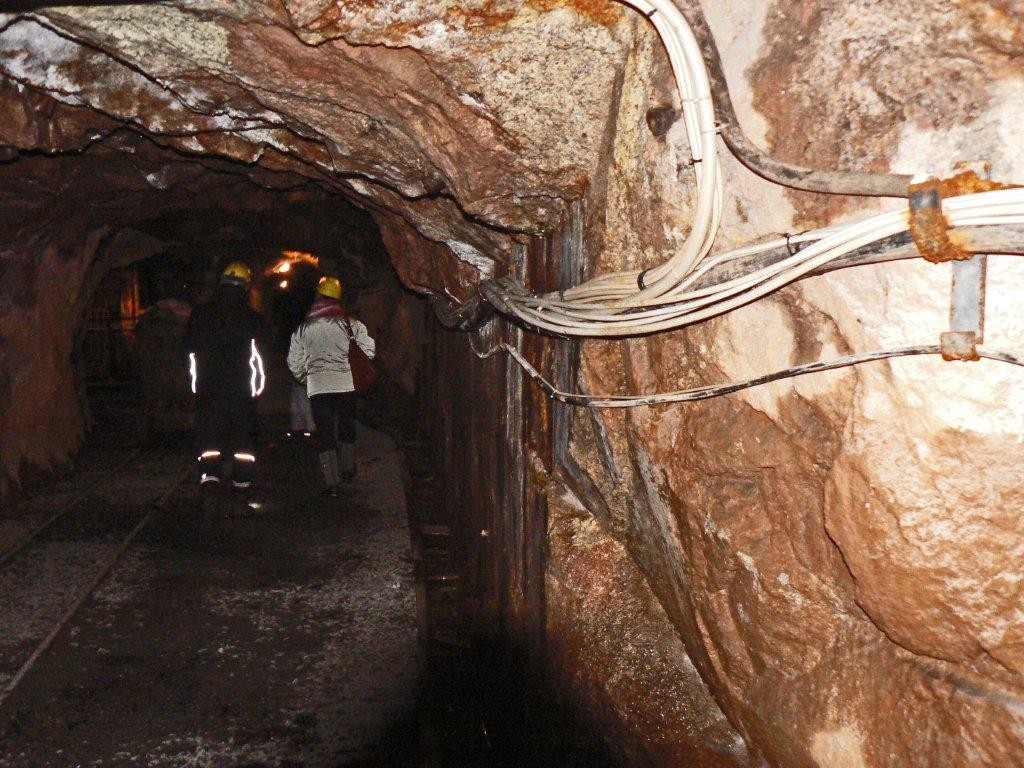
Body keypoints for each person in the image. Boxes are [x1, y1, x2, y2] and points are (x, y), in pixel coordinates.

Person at [184, 262, 270, 502]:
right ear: (245, 286)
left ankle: (209, 479)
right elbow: (261, 358)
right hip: (242, 393)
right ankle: (241, 484)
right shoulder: (252, 319)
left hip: (208, 391)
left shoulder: (201, 315)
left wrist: (195, 388)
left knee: (209, 437)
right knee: (244, 439)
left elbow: (190, 355)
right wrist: (256, 391)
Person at [286, 276, 375, 497]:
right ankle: (347, 467)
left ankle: (332, 481)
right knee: (347, 424)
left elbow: (294, 360)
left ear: (318, 296)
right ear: (338, 299)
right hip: (346, 386)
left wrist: (305, 378)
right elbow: (370, 352)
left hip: (320, 387)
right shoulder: (350, 324)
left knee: (324, 432)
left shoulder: (305, 327)